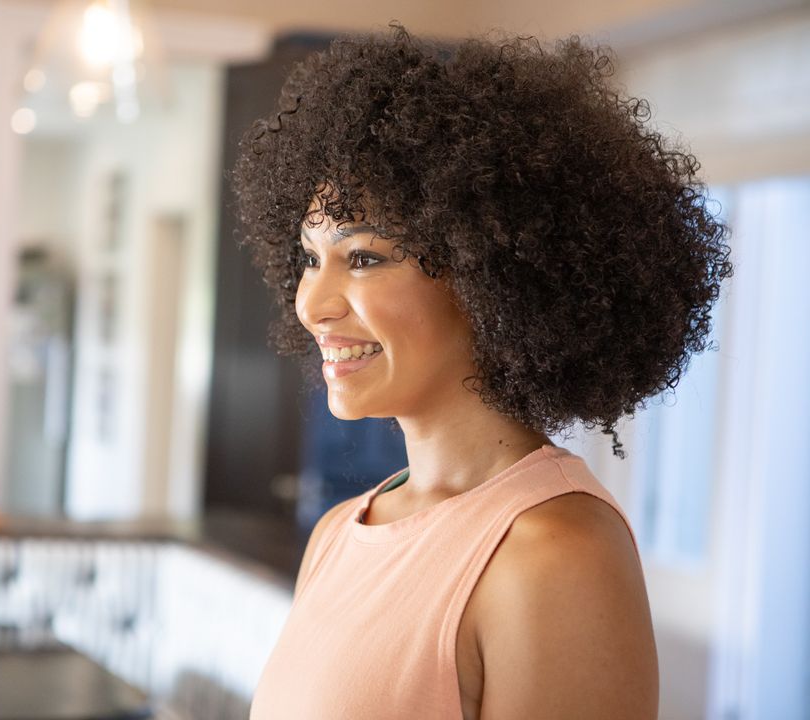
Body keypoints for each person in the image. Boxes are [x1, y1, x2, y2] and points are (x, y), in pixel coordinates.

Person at [230, 23, 733, 720]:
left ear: (489, 276)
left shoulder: (553, 554)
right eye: (311, 258)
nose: (311, 302)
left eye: (365, 257)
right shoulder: (340, 533)